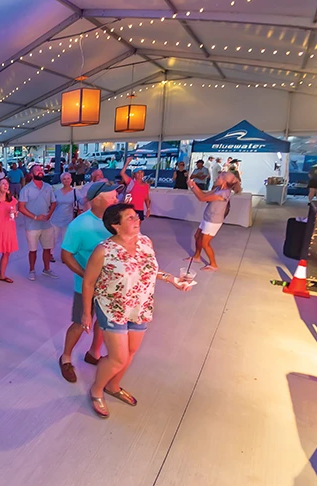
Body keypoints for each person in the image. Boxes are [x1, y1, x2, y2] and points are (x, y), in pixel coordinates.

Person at [83, 203, 191, 418]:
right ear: (116, 225)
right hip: (113, 307)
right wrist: (86, 313)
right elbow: (88, 283)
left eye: (136, 216)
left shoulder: (145, 241)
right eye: (130, 218)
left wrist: (172, 280)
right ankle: (96, 389)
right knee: (118, 358)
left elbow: (148, 270)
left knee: (131, 351)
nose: (137, 220)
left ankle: (113, 386)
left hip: (140, 305)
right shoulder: (104, 251)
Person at [59, 181, 121, 383]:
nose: (116, 199)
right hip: (86, 287)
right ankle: (66, 357)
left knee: (103, 323)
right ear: (97, 200)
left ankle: (93, 353)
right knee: (79, 323)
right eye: (112, 197)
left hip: (111, 286)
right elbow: (66, 255)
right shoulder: (79, 225)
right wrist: (87, 276)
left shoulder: (116, 221)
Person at [186, 172, 242, 272]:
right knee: (197, 236)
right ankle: (197, 257)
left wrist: (191, 186)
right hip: (208, 218)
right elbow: (203, 194)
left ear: (224, 181)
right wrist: (193, 185)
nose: (216, 178)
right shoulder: (218, 189)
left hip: (213, 221)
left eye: (219, 177)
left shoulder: (223, 193)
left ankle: (213, 264)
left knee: (205, 243)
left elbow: (202, 198)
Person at [18, 164, 58, 281]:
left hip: (47, 225)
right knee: (33, 250)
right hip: (32, 226)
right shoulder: (26, 189)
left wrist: (49, 214)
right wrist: (35, 217)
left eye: (41, 170)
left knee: (47, 248)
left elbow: (54, 203)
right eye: (37, 170)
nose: (40, 171)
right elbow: (21, 207)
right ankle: (32, 270)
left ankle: (47, 269)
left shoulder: (48, 187)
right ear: (32, 174)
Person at [52, 172, 82, 246]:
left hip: (68, 219)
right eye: (64, 179)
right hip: (56, 219)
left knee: (66, 240)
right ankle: (50, 254)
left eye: (68, 178)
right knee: (52, 239)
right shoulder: (56, 192)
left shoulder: (75, 192)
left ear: (71, 180)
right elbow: (51, 204)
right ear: (61, 181)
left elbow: (82, 201)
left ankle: (64, 256)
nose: (66, 180)